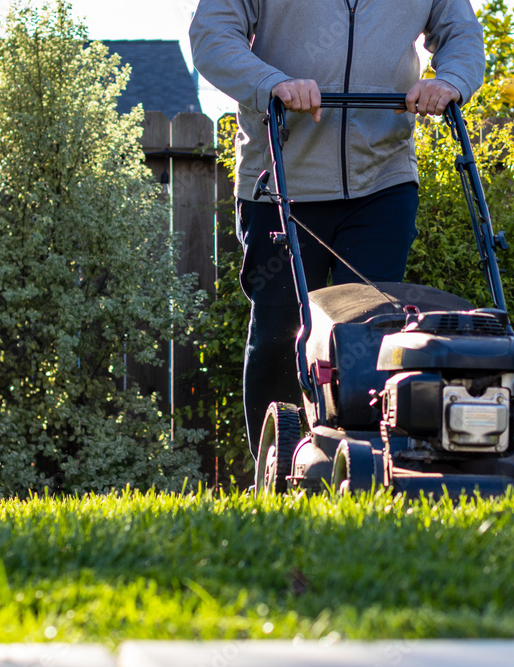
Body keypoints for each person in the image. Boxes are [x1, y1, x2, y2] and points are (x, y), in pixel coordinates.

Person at [189, 1, 485, 460]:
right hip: (280, 178)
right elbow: (213, 35)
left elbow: (461, 34)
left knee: (375, 331)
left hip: (382, 179)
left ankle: (367, 468)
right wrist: (273, 83)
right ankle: (279, 473)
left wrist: (450, 81)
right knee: (279, 328)